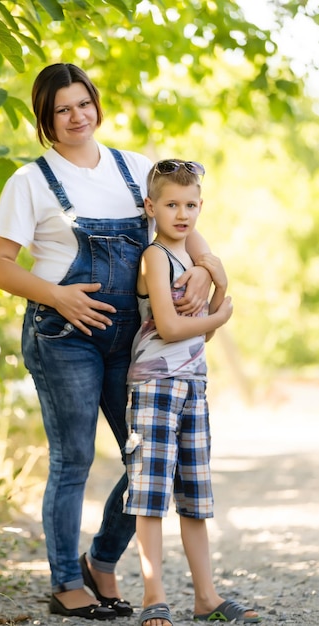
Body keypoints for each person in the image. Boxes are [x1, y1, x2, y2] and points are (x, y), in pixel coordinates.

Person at [0, 63, 213, 621]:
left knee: (146, 458)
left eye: (82, 103)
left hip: (133, 337)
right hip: (64, 336)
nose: (76, 116)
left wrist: (206, 266)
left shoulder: (135, 169)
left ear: (96, 105)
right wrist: (59, 296)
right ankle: (66, 582)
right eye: (62, 109)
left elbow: (179, 228)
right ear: (46, 119)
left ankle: (101, 559)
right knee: (74, 458)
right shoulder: (30, 181)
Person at [123, 159, 261, 626]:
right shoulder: (155, 257)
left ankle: (206, 597)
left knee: (195, 495)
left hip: (193, 383)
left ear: (201, 207)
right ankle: (152, 595)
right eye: (171, 204)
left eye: (191, 205)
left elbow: (199, 338)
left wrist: (219, 284)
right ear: (151, 207)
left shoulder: (193, 260)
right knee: (150, 493)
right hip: (155, 385)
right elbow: (169, 325)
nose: (182, 214)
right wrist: (220, 316)